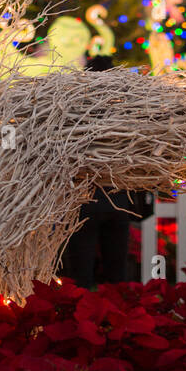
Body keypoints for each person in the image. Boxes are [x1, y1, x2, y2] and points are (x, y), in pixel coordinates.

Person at [59, 55, 149, 286]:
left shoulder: (75, 112)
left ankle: (81, 313)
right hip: (117, 199)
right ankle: (115, 314)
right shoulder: (126, 111)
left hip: (83, 202)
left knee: (80, 271)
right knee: (116, 271)